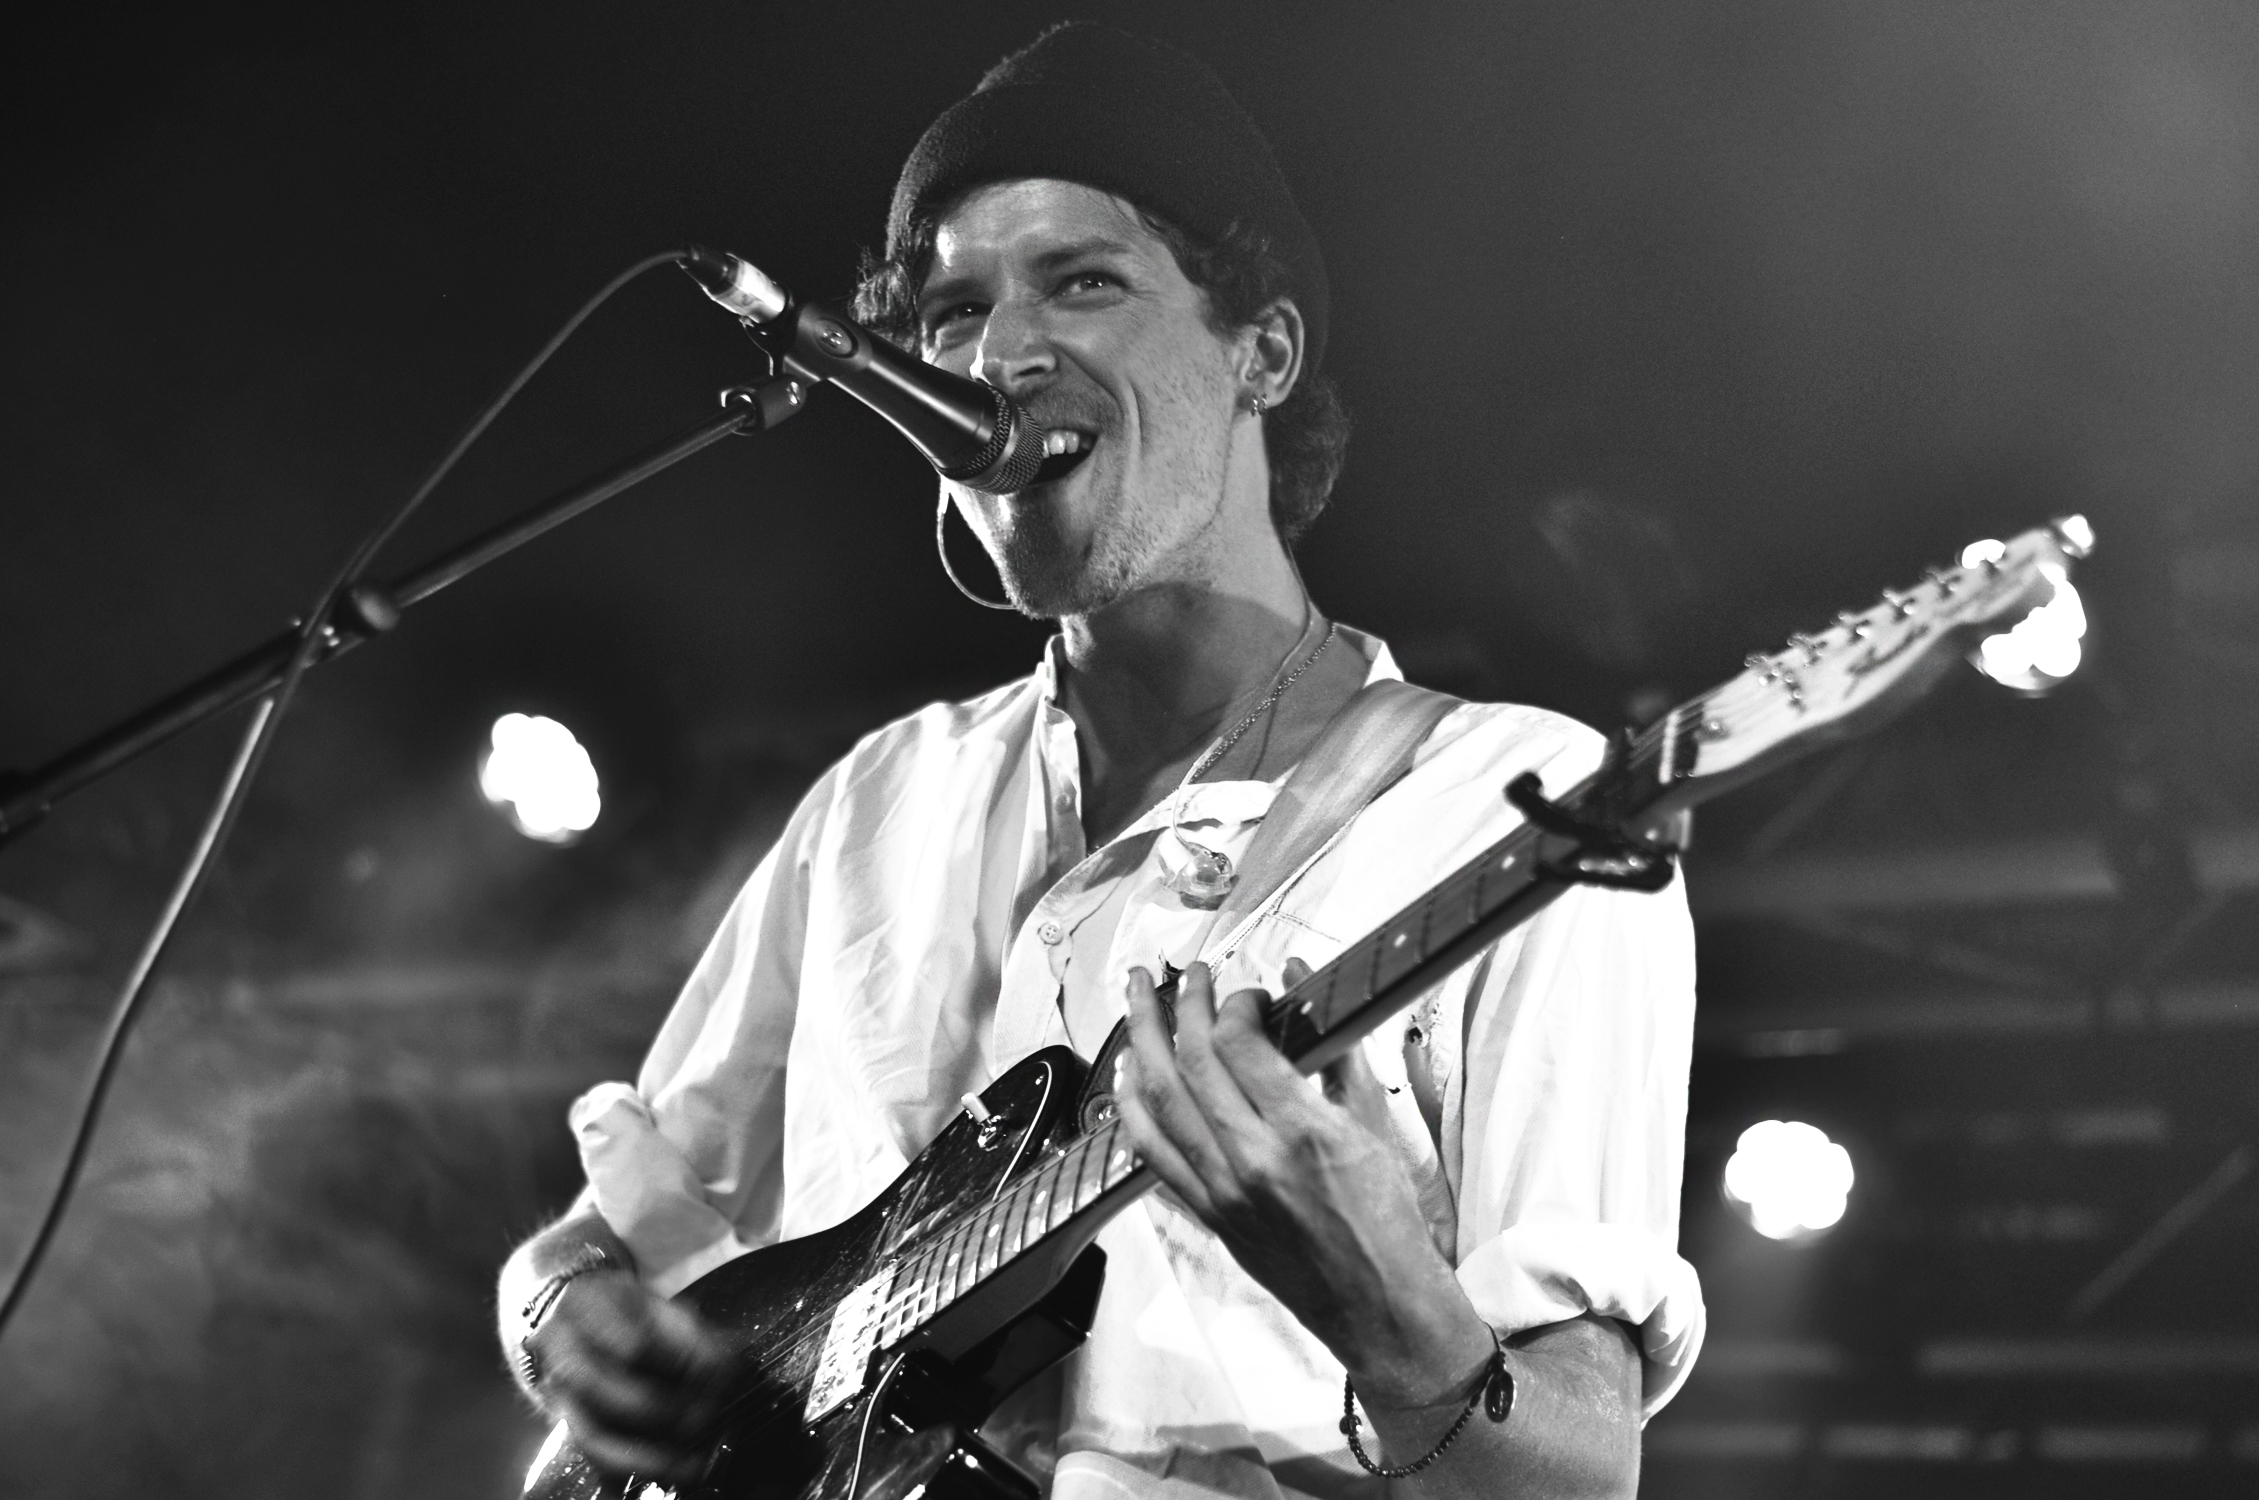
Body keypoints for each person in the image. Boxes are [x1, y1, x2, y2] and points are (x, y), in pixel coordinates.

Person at [498, 23, 1702, 1500]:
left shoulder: (1517, 809)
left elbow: (1576, 1478)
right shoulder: (882, 800)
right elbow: (598, 1241)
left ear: (1262, 351)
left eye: (1083, 281)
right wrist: (568, 1317)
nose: (999, 355)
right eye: (953, 311)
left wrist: (1386, 1304)